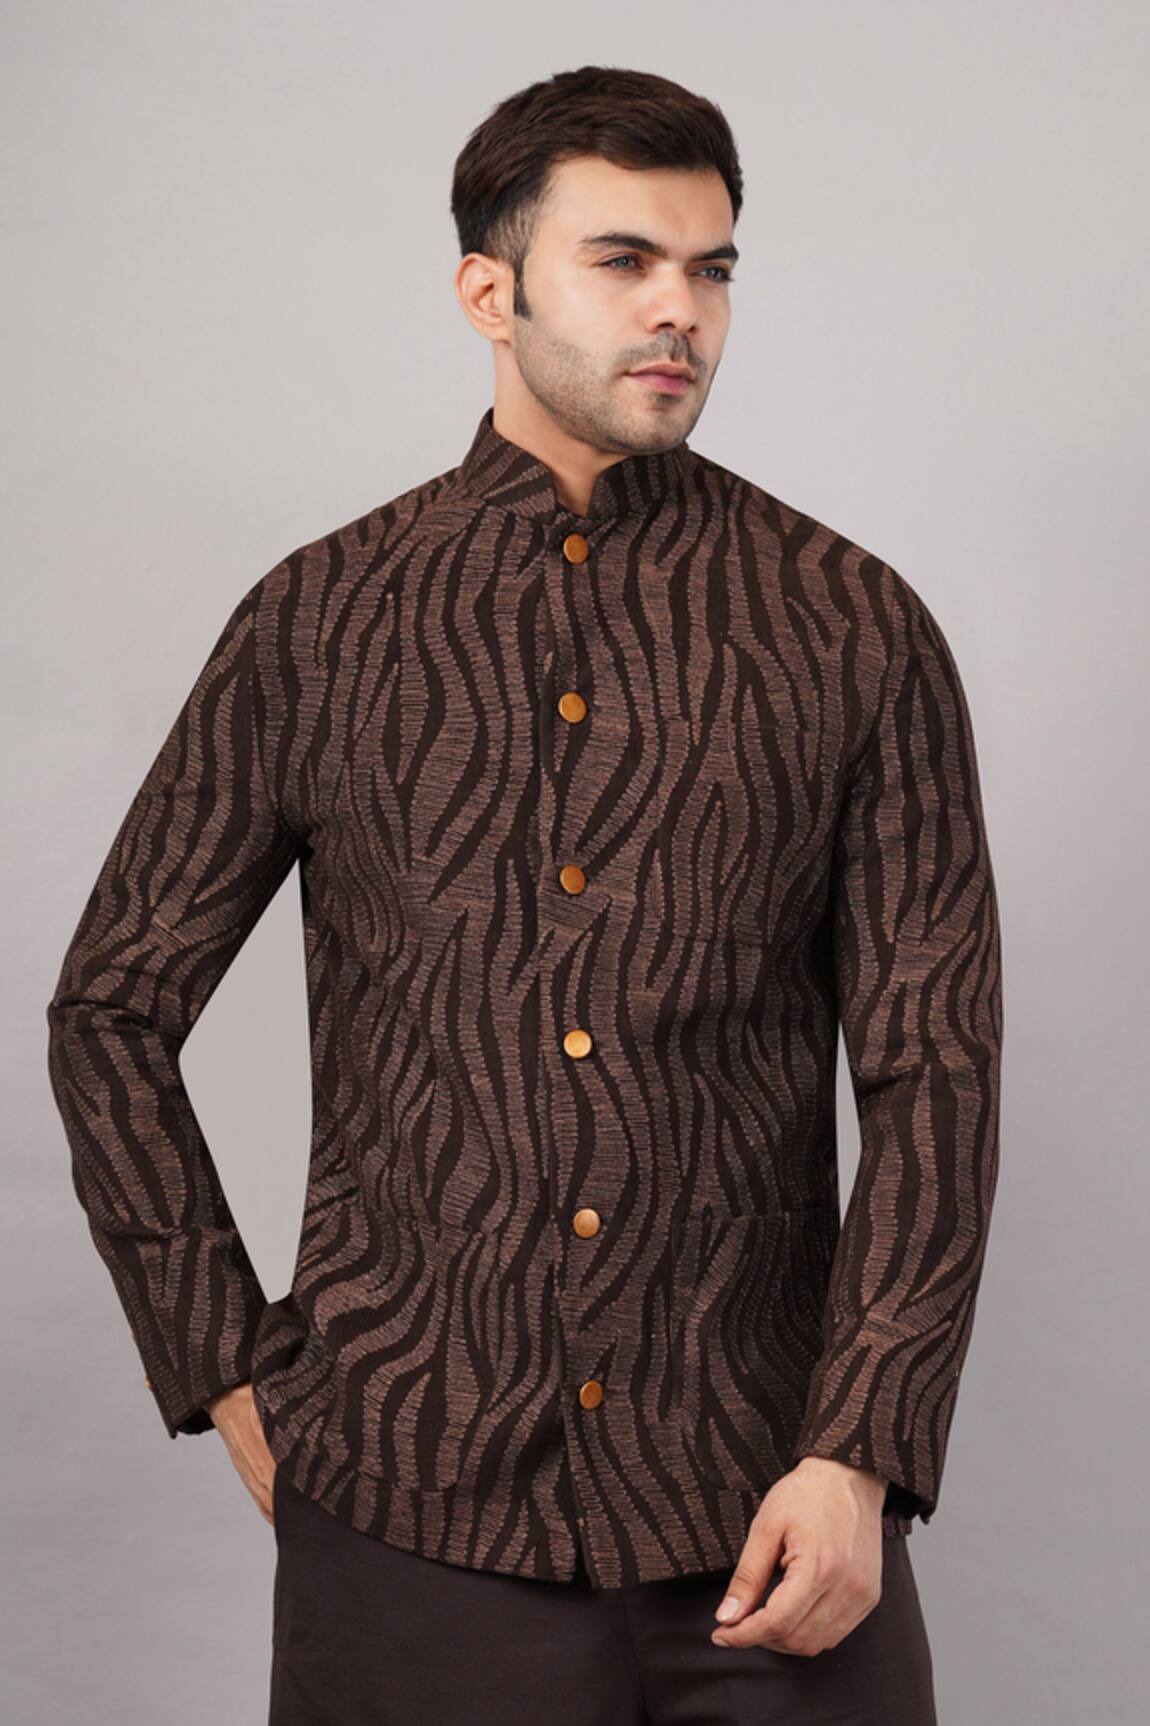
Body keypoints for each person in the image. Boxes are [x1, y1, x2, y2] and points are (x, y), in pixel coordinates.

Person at [45, 63, 1002, 1725]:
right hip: (407, 1521)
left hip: (771, 1517)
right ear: (487, 292)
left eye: (709, 270)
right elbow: (110, 1008)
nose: (679, 311)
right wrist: (216, 1355)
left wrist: (862, 1447)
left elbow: (934, 1069)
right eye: (622, 260)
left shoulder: (852, 625)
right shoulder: (320, 622)